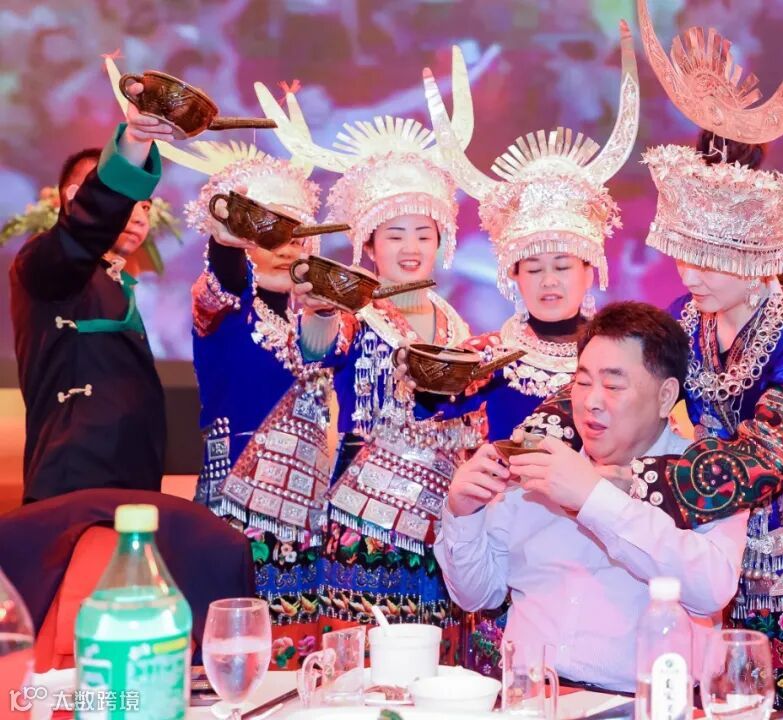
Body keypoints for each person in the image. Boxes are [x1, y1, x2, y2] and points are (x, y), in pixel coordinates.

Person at [511, 3, 783, 714]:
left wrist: (627, 479)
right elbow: (625, 378)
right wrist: (536, 440)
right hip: (726, 537)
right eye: (684, 255)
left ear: (753, 256)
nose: (689, 275)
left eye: (709, 259)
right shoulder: (691, 316)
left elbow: (766, 457)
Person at [418, 22, 640, 673]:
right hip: (507, 578)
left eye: (563, 265)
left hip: (610, 568)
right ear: (510, 275)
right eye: (532, 267)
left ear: (592, 269)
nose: (548, 281)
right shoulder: (480, 362)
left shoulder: (626, 359)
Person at [254, 59, 482, 646]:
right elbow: (317, 354)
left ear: (442, 242)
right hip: (366, 520)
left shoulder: (458, 323)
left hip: (440, 521)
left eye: (423, 234)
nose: (410, 247)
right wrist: (319, 311)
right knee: (364, 664)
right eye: (394, 234)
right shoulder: (358, 313)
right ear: (369, 245)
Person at [435, 302, 748, 692]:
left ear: (665, 396)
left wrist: (594, 499)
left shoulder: (705, 477)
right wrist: (462, 513)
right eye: (582, 383)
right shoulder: (539, 458)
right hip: (531, 698)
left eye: (613, 386)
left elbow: (710, 589)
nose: (591, 401)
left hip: (645, 703)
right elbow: (477, 593)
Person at [178, 141, 334, 669]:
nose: (286, 248)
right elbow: (223, 280)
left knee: (299, 661)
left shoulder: (312, 321)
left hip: (305, 518)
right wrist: (225, 239)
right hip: (234, 513)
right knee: (235, 659)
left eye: (296, 235)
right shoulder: (224, 307)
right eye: (269, 235)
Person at [10, 83, 174, 504]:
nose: (138, 214)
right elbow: (86, 227)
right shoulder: (44, 264)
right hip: (75, 480)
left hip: (133, 481)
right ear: (73, 199)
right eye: (126, 202)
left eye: (145, 205)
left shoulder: (118, 280)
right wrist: (133, 147)